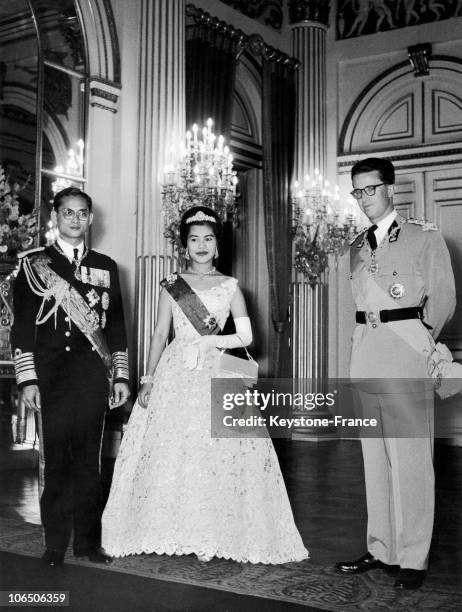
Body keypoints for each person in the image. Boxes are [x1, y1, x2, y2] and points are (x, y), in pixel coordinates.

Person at [102, 206, 308, 564]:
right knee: (173, 447)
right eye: (194, 239)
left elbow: (245, 335)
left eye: (208, 239)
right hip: (174, 370)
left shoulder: (230, 286)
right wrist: (148, 379)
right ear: (185, 246)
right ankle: (170, 527)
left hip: (218, 370)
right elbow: (159, 334)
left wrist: (212, 342)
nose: (201, 245)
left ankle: (213, 530)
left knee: (218, 450)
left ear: (217, 247)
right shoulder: (172, 285)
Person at [335, 158, 456, 589]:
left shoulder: (424, 237)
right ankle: (382, 547)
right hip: (366, 359)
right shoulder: (354, 247)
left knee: (410, 461)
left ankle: (412, 557)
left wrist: (418, 346)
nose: (365, 198)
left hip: (406, 357)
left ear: (390, 189)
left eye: (371, 189)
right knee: (375, 460)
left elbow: (442, 302)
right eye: (358, 191)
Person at [11, 187, 130, 567]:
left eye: (82, 214)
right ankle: (55, 545)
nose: (76, 220)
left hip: (91, 378)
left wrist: (121, 376)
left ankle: (88, 545)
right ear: (55, 217)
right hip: (51, 378)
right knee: (54, 464)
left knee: (89, 465)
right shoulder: (33, 265)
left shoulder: (106, 266)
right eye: (68, 213)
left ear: (91, 219)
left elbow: (117, 329)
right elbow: (22, 327)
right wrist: (28, 379)